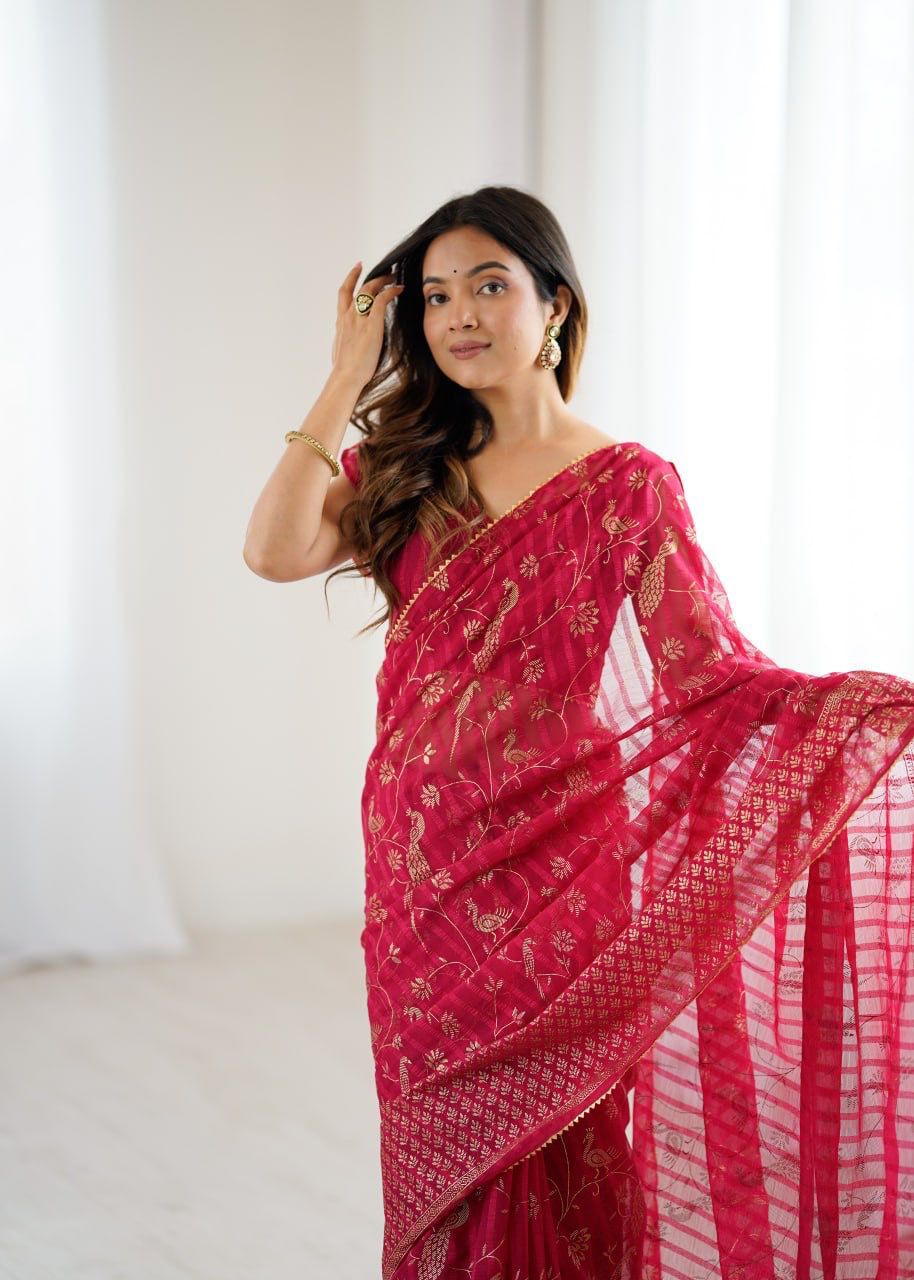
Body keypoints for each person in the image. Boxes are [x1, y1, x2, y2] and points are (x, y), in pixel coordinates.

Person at [244, 185, 914, 1279]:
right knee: (439, 1148)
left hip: (557, 867)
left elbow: (710, 677)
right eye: (434, 296)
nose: (458, 315)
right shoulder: (408, 469)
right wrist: (341, 377)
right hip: (424, 881)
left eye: (489, 286)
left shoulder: (624, 488)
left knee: (555, 1139)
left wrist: (854, 712)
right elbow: (272, 549)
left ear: (554, 305)